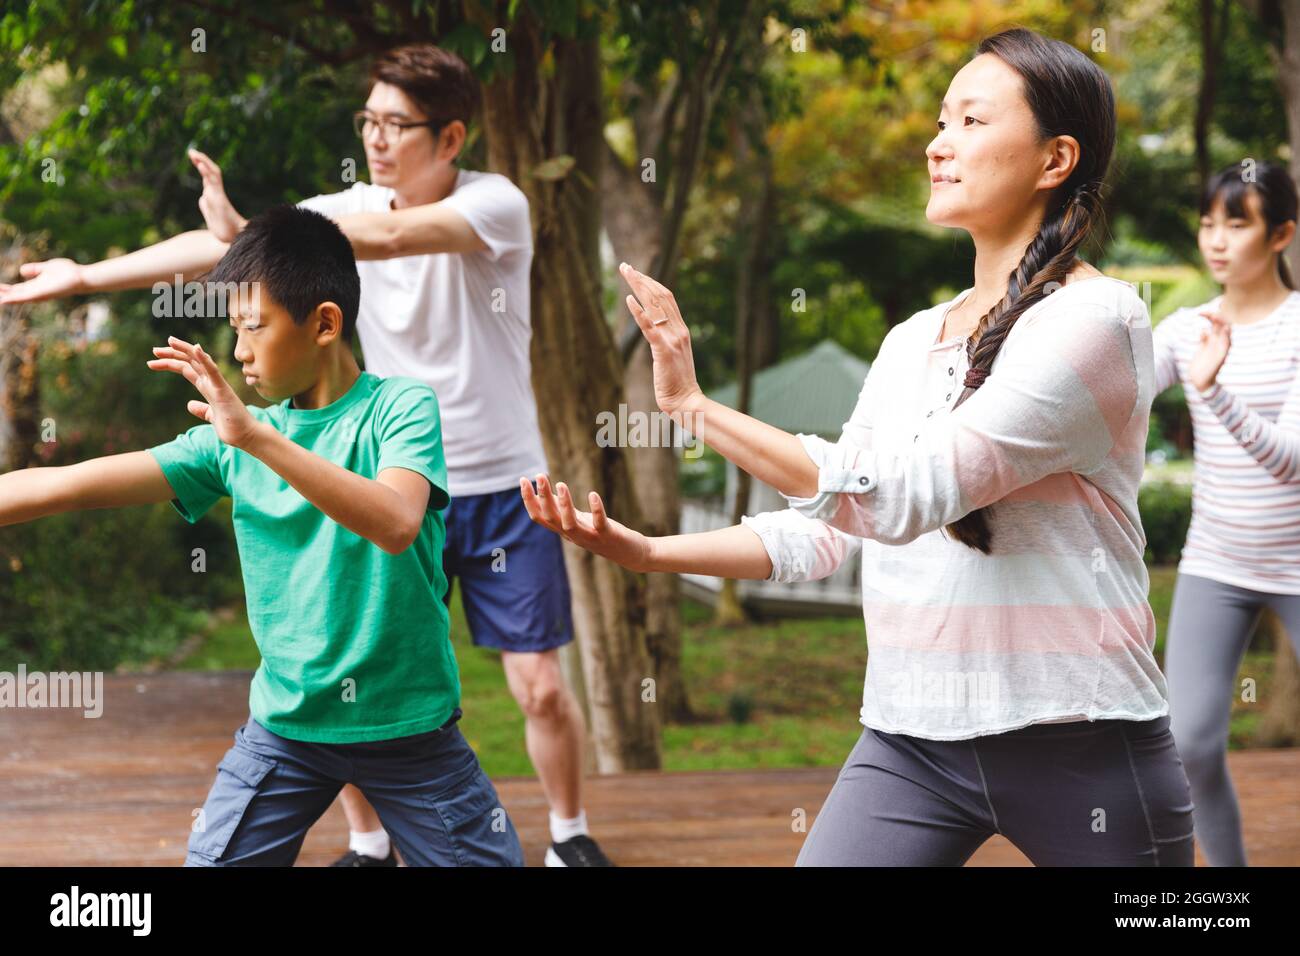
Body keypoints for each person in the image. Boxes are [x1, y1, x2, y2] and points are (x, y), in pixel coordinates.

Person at [520, 27, 1195, 866]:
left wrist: (694, 408)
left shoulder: (1098, 322)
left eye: (972, 122)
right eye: (941, 120)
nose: (937, 144)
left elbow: (904, 495)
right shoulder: (912, 340)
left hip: (1081, 740)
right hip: (911, 745)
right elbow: (832, 526)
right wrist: (651, 550)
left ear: (1056, 159)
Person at [0, 43, 611, 868]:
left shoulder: (490, 212)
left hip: (489, 490)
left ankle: (568, 836)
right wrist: (84, 279)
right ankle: (367, 845)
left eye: (397, 123)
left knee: (527, 681)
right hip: (291, 715)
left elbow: (363, 252)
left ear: (452, 136)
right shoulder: (235, 429)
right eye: (368, 121)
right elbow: (72, 480)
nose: (378, 138)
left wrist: (254, 418)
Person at [0, 205, 525, 866]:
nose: (240, 351)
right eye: (234, 329)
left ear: (325, 324)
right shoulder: (230, 442)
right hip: (287, 730)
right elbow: (67, 484)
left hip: (410, 729)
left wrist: (257, 438)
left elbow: (395, 522)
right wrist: (248, 438)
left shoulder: (398, 408)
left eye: (255, 327)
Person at [1151, 160, 1300, 866]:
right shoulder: (1184, 329)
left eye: (1236, 223)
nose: (1216, 239)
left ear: (1282, 235)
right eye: (1209, 222)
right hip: (1218, 562)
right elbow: (1113, 391)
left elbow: (1290, 461)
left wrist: (1213, 392)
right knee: (1190, 743)